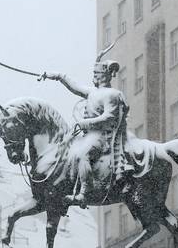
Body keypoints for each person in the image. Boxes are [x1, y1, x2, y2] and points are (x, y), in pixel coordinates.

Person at [41, 52, 131, 208]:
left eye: (97, 73)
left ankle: (84, 192)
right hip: (88, 134)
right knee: (66, 151)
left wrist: (85, 123)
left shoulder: (112, 94)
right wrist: (53, 75)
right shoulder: (92, 92)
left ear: (105, 75)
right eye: (94, 73)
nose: (94, 76)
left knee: (84, 154)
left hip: (102, 136)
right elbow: (73, 86)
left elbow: (109, 117)